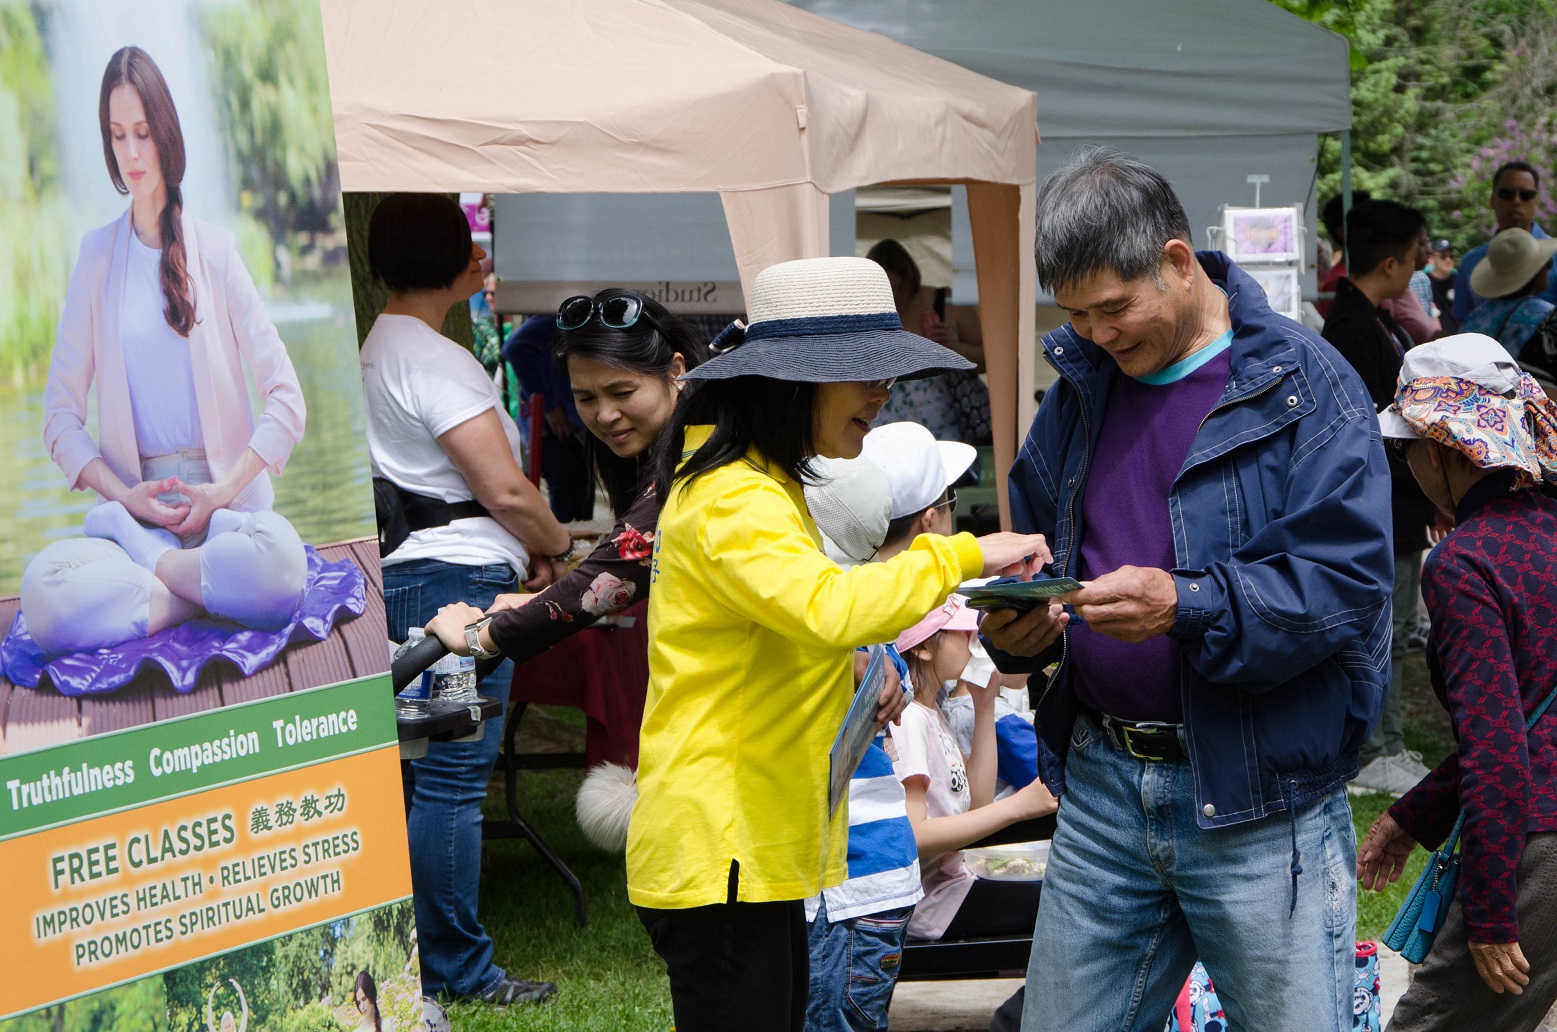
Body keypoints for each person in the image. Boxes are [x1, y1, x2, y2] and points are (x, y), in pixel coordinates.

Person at [981, 147, 1393, 1031]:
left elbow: (1343, 585)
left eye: (1112, 308)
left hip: (1263, 798)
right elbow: (1041, 546)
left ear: (1176, 261)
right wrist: (1018, 627)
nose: (1096, 334)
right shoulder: (1079, 387)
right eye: (1075, 315)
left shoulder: (1306, 384)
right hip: (1099, 786)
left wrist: (1185, 603)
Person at [629, 255, 1049, 1032]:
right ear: (794, 382)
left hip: (749, 845)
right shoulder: (733, 495)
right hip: (724, 849)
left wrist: (855, 662)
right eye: (863, 373)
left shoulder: (756, 483)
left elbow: (788, 622)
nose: (882, 392)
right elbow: (828, 607)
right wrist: (962, 554)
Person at [358, 192, 572, 1007]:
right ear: (455, 258)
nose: (483, 257)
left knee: (416, 777)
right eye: (472, 244)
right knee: (451, 779)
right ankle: (457, 970)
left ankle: (413, 961)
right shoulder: (435, 358)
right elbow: (504, 489)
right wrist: (556, 544)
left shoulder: (374, 349)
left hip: (404, 572)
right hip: (458, 582)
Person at [26, 47, 310, 658]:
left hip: (226, 517)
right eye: (117, 135)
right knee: (43, 593)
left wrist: (222, 492)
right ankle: (195, 591)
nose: (131, 153)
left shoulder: (218, 251)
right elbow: (59, 419)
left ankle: (167, 587)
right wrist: (125, 497)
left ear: (166, 134)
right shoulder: (96, 258)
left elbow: (287, 401)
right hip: (134, 521)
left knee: (283, 563)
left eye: (143, 133)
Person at [1358, 333, 1557, 1030]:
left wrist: (1490, 913)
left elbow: (1499, 749)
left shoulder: (1464, 563)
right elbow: (1528, 717)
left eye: (1406, 448)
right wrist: (1413, 815)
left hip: (1539, 844)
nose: (1407, 464)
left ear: (1443, 449)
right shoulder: (1548, 530)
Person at [424, 289, 705, 677]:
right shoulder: (690, 442)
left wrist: (473, 638)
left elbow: (612, 572)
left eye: (622, 392)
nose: (605, 415)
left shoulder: (700, 460)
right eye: (585, 398)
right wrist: (540, 599)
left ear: (676, 372)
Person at [1320, 199, 1442, 794]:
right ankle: (1374, 751)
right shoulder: (1351, 329)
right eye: (1416, 254)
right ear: (1391, 263)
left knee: (1394, 631)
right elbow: (1366, 434)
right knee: (1382, 632)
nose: (1421, 264)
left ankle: (1388, 744)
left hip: (1398, 505)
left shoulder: (1370, 319)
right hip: (1381, 508)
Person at [891, 593, 1054, 942]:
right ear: (923, 648)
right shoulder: (909, 720)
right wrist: (1019, 806)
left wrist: (984, 706)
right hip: (930, 904)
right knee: (1070, 904)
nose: (975, 640)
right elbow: (914, 836)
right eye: (964, 633)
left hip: (952, 886)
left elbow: (976, 803)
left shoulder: (933, 711)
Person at [865, 239, 989, 446]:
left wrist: (955, 348)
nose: (892, 297)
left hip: (944, 434)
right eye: (881, 290)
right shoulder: (865, 311)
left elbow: (990, 360)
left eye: (896, 288)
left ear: (910, 278)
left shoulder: (945, 302)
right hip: (883, 434)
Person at [1319, 191, 1438, 343]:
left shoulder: (1368, 312)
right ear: (1390, 266)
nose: (1413, 269)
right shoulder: (1354, 330)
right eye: (1413, 258)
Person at [1454, 161, 1557, 322]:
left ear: (1536, 202)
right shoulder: (1470, 263)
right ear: (1492, 200)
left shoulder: (1555, 255)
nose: (1516, 201)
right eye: (1507, 194)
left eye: (1526, 195)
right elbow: (1463, 325)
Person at [1460, 228, 1557, 359]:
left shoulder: (1476, 317)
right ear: (1537, 272)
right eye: (1548, 263)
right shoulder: (1547, 318)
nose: (1549, 265)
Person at [1426, 238, 1459, 336]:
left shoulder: (1459, 279)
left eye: (1451, 256)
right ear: (1432, 257)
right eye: (1443, 256)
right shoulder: (1425, 282)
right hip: (1437, 336)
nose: (1448, 260)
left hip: (1460, 334)